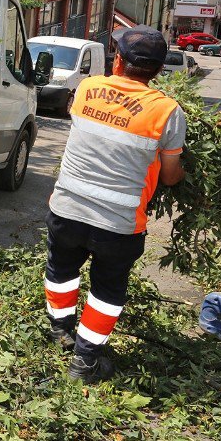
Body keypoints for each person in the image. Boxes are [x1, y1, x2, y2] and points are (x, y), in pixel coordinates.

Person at [43, 25, 186, 383]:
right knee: (106, 291)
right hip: (119, 225)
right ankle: (84, 361)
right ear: (158, 70)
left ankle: (61, 331)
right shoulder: (168, 111)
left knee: (62, 272)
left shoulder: (88, 89)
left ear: (117, 59)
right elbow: (170, 176)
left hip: (67, 209)